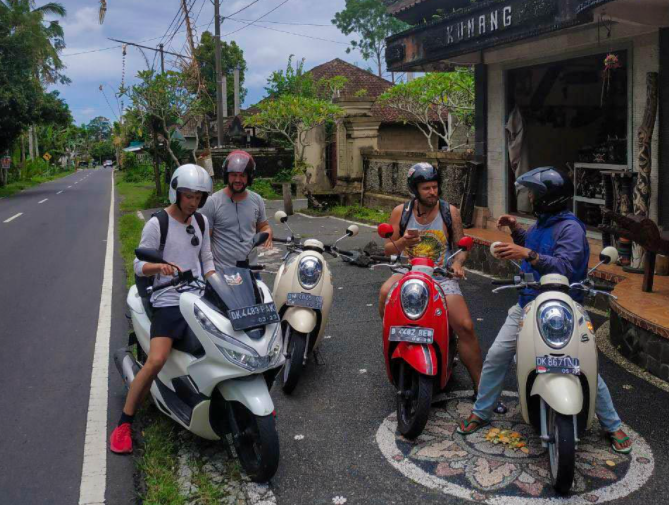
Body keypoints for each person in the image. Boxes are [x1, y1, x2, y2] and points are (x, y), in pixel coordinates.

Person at [458, 166, 633, 454]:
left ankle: (612, 425)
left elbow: (566, 266)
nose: (529, 198)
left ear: (547, 198)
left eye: (533, 194)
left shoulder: (571, 229)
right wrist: (516, 230)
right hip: (528, 304)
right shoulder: (543, 223)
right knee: (497, 356)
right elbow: (536, 245)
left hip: (565, 307)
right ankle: (482, 411)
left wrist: (528, 254)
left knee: (584, 365)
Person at [109, 164, 215, 454]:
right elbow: (139, 266)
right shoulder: (158, 223)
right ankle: (124, 423)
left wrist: (220, 284)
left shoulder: (201, 222)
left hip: (198, 297)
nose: (194, 202)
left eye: (199, 197)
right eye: (189, 196)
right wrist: (161, 267)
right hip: (168, 299)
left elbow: (206, 260)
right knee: (156, 360)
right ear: (176, 192)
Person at [378, 162, 484, 395]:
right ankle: (395, 344)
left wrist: (457, 263)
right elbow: (388, 249)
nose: (432, 192)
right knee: (385, 292)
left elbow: (462, 247)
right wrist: (403, 243)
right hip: (407, 272)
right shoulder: (401, 212)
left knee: (465, 326)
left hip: (441, 275)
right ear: (415, 190)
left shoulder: (450, 212)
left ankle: (481, 387)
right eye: (426, 188)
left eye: (435, 187)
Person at [201, 150, 272, 272]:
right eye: (233, 175)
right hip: (223, 273)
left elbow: (263, 226)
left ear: (249, 177)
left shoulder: (257, 200)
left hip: (251, 271)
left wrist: (268, 231)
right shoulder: (212, 202)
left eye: (242, 175)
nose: (238, 179)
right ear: (226, 176)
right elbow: (204, 242)